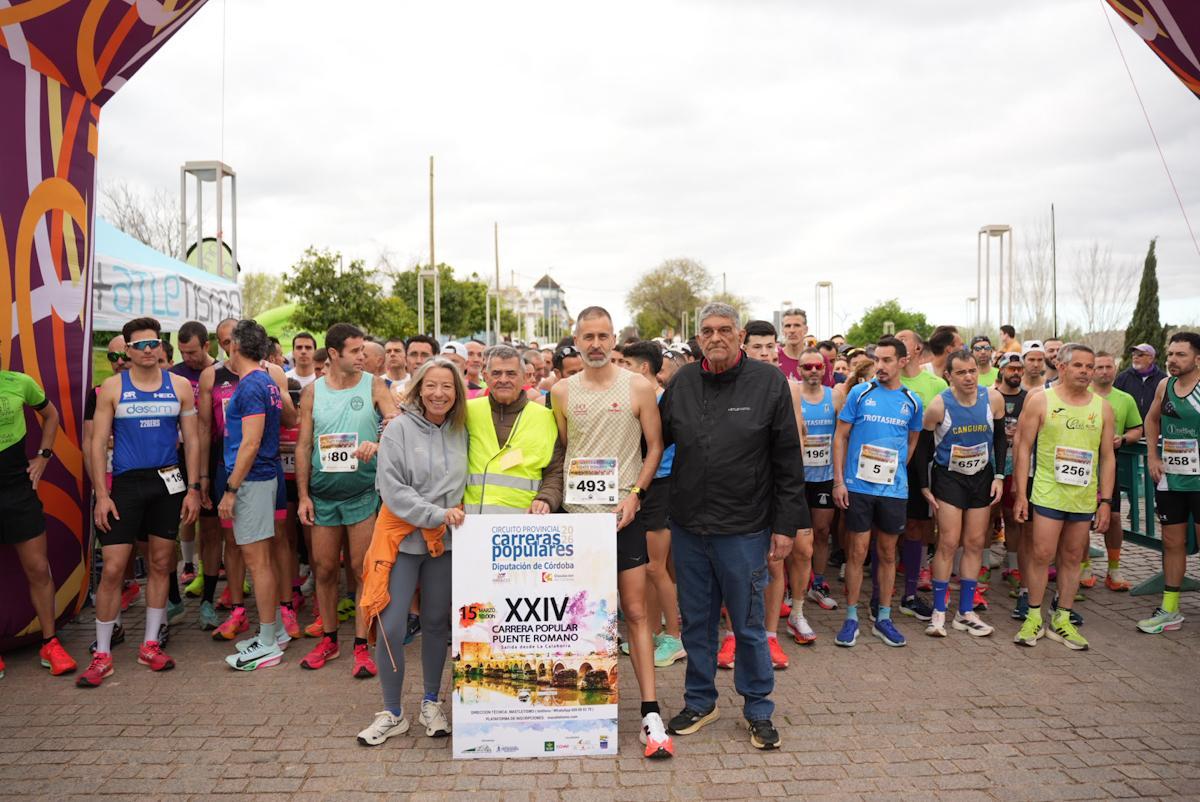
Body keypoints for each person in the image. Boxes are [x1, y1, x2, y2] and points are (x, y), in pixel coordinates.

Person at [659, 303, 807, 751]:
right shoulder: (682, 382)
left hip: (745, 528)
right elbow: (653, 442)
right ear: (698, 338)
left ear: (740, 335)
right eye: (707, 331)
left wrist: (786, 526)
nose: (716, 337)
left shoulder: (768, 382)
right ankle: (700, 701)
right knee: (697, 624)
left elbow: (787, 459)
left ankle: (759, 708)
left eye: (725, 329)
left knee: (747, 624)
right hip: (688, 527)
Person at [550, 307, 674, 759]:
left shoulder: (639, 386)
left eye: (604, 335)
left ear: (614, 338)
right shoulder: (561, 392)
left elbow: (655, 445)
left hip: (622, 516)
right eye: (588, 336)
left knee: (636, 612)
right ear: (577, 340)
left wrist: (636, 494)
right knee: (581, 614)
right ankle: (583, 702)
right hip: (577, 520)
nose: (596, 343)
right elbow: (564, 450)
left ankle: (650, 711)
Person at [80, 317, 201, 687]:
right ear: (127, 350)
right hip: (126, 485)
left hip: (168, 482)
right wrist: (101, 495)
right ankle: (102, 653)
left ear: (162, 347)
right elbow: (97, 444)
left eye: (154, 344)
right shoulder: (113, 388)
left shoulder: (179, 386)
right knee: (114, 567)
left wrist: (194, 488)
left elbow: (193, 441)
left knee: (162, 563)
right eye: (141, 345)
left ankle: (150, 643)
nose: (149, 350)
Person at [355, 358, 466, 746]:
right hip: (401, 538)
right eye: (431, 385)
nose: (439, 393)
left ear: (457, 393)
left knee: (437, 623)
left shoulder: (462, 430)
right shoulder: (398, 429)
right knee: (391, 625)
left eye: (447, 387)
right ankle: (392, 711)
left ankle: (432, 703)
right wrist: (436, 513)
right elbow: (393, 489)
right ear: (418, 388)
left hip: (445, 542)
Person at [297, 323, 397, 676]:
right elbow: (303, 446)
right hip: (323, 497)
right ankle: (328, 639)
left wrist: (380, 442)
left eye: (363, 350)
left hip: (361, 494)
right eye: (355, 351)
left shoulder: (375, 385)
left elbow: (397, 425)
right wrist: (303, 496)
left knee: (360, 570)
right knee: (324, 569)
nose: (362, 356)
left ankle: (361, 645)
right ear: (335, 354)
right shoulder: (312, 393)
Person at [1012, 343, 1115, 650]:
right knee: (1042, 554)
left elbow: (1108, 456)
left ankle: (1063, 618)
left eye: (1090, 366)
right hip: (1047, 491)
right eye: (1080, 366)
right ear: (1062, 366)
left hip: (1083, 497)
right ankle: (1033, 616)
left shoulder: (1102, 407)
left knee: (1072, 558)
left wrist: (1106, 501)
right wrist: (1021, 495)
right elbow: (1023, 448)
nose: (1086, 372)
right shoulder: (1040, 400)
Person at [832, 336, 923, 648]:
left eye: (887, 360)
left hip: (893, 490)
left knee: (886, 554)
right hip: (857, 487)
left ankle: (883, 617)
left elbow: (912, 441)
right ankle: (851, 617)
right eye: (877, 360)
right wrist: (839, 481)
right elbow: (840, 436)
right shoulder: (860, 393)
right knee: (857, 552)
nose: (881, 366)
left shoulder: (912, 400)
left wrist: (894, 470)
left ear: (902, 361)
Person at [919, 349, 1007, 638]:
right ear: (948, 376)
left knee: (974, 543)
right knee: (947, 542)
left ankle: (965, 612)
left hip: (981, 477)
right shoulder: (937, 405)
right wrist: (924, 484)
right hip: (949, 478)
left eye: (972, 371)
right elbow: (923, 447)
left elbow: (1000, 440)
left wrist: (998, 476)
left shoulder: (992, 398)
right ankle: (939, 612)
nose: (969, 377)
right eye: (961, 372)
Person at [217, 320, 289, 671]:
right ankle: (273, 631)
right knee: (261, 559)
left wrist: (231, 489)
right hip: (260, 478)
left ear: (233, 346)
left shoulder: (251, 385)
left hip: (253, 480)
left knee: (257, 561)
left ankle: (267, 642)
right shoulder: (266, 381)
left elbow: (250, 441)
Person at [733, 321, 806, 667]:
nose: (764, 353)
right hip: (740, 489)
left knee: (775, 562)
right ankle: (733, 636)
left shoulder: (788, 387)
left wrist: (789, 492)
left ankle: (771, 636)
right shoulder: (732, 383)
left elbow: (796, 443)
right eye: (757, 346)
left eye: (769, 346)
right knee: (737, 567)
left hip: (775, 488)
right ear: (743, 347)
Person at [0, 363, 74, 678]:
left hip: (18, 488)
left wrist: (44, 456)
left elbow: (52, 415)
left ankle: (50, 642)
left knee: (38, 569)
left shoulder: (19, 382)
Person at [621, 341, 686, 668]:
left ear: (643, 368)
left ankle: (674, 638)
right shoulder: (639, 396)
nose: (620, 369)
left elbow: (659, 447)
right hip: (644, 486)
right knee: (646, 567)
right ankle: (652, 631)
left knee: (656, 567)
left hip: (661, 485)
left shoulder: (662, 399)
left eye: (626, 363)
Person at [1138, 331, 1200, 634]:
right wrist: (1152, 455)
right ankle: (1171, 609)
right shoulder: (1165, 385)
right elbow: (1152, 419)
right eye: (1170, 354)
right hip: (1171, 478)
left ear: (1198, 359)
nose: (1172, 360)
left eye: (1181, 355)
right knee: (1172, 542)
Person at [896, 329, 948, 610]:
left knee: (917, 523)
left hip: (921, 463)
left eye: (904, 339)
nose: (898, 343)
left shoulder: (936, 384)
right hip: (888, 460)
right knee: (887, 527)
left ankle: (912, 590)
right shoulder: (882, 381)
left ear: (917, 349)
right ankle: (884, 584)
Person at [1084, 351, 1143, 592]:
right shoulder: (1081, 395)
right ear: (1091, 370)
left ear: (1115, 369)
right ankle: (1083, 565)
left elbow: (1137, 428)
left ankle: (1114, 569)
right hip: (1084, 463)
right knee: (1081, 518)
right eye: (1099, 367)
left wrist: (1124, 439)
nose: (1104, 371)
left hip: (1110, 463)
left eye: (1109, 367)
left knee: (1115, 517)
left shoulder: (1125, 399)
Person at [796, 347, 845, 632]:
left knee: (822, 531)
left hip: (825, 475)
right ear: (800, 370)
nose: (813, 371)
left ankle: (817, 582)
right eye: (807, 367)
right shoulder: (793, 396)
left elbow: (843, 435)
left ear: (825, 368)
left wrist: (841, 477)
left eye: (818, 366)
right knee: (795, 534)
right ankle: (794, 585)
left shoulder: (835, 396)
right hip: (798, 478)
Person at [171, 321, 214, 588]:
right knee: (185, 513)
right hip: (183, 453)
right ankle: (188, 564)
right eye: (183, 352)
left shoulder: (221, 372)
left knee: (213, 521)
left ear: (207, 346)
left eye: (193, 352)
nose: (187, 358)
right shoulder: (176, 374)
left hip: (213, 453)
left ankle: (213, 571)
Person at [995, 353, 1032, 618]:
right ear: (1001, 369)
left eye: (1019, 367)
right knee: (986, 519)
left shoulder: (1029, 397)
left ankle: (1014, 568)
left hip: (1018, 466)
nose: (1016, 371)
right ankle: (982, 570)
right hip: (992, 466)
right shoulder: (990, 395)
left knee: (1015, 518)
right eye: (1011, 367)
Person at [1115, 343, 1168, 420]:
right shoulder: (1123, 377)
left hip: (1155, 428)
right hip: (1129, 428)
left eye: (1140, 355)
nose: (1135, 357)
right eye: (1133, 355)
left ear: (1150, 358)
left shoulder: (1162, 379)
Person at [776, 308, 809, 382]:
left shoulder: (819, 359)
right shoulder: (774, 360)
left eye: (797, 325)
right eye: (788, 326)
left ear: (806, 329)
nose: (792, 330)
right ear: (782, 330)